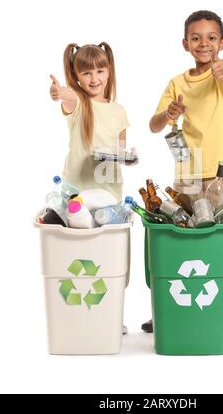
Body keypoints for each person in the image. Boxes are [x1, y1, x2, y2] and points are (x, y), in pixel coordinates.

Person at [142, 10, 223, 337]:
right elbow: (155, 125)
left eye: (211, 38)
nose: (204, 43)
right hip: (187, 172)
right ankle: (171, 302)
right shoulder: (177, 83)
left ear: (222, 42)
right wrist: (168, 112)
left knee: (219, 238)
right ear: (185, 43)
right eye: (197, 38)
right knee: (181, 235)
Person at [49, 42, 130, 334]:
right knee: (79, 258)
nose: (94, 78)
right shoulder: (78, 103)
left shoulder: (119, 111)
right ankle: (78, 318)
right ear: (76, 75)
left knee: (111, 261)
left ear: (109, 71)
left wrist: (126, 157)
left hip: (110, 195)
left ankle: (109, 317)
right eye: (86, 73)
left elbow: (122, 149)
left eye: (100, 70)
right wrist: (60, 92)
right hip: (77, 192)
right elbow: (66, 97)